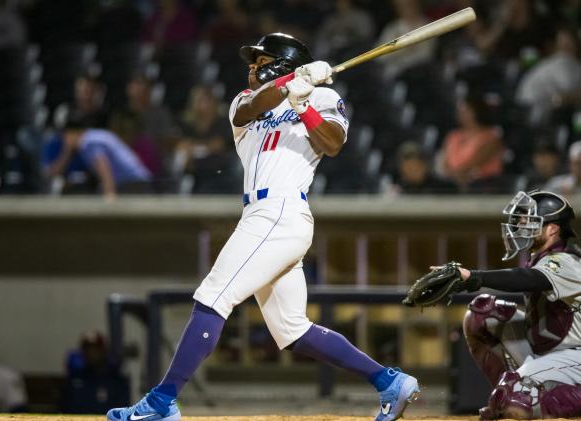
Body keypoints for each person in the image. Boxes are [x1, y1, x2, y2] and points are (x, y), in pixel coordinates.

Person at [106, 32, 419, 421]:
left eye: (260, 60)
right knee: (292, 329)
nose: (252, 67)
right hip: (261, 214)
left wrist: (304, 102)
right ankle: (389, 381)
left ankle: (161, 402)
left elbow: (333, 143)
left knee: (214, 295)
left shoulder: (321, 98)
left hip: (282, 210)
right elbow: (249, 109)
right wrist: (292, 85)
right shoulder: (245, 101)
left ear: (283, 62)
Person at [434, 190, 581, 419]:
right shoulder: (541, 256)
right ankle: (511, 391)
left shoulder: (568, 260)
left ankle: (520, 395)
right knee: (483, 313)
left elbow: (528, 278)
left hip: (575, 357)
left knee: (515, 401)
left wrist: (474, 277)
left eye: (529, 221)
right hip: (548, 351)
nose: (521, 226)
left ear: (552, 229)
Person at [44, 118, 153, 198]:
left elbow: (104, 168)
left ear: (71, 133)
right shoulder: (96, 135)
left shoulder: (88, 142)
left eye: (65, 136)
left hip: (131, 185)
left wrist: (110, 197)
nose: (65, 141)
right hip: (139, 182)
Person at [439, 93, 504, 191]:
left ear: (475, 111)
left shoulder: (490, 137)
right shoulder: (453, 136)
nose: (460, 113)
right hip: (454, 182)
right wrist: (452, 176)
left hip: (484, 185)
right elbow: (446, 162)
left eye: (465, 110)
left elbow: (475, 163)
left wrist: (459, 175)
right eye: (459, 110)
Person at [390, 141, 457, 195]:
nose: (413, 171)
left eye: (416, 166)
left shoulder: (445, 187)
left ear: (425, 166)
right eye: (408, 168)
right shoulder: (398, 192)